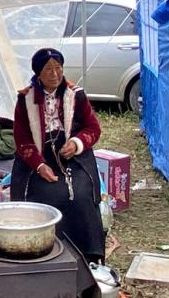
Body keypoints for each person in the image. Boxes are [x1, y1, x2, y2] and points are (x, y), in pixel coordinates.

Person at [9, 48, 105, 263]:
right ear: (38, 73)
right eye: (48, 69)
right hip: (38, 157)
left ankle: (88, 254)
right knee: (45, 196)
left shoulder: (76, 95)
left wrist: (76, 143)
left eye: (58, 68)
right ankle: (45, 252)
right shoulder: (25, 99)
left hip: (73, 156)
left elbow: (93, 128)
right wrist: (39, 165)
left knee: (80, 195)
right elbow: (22, 138)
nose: (55, 74)